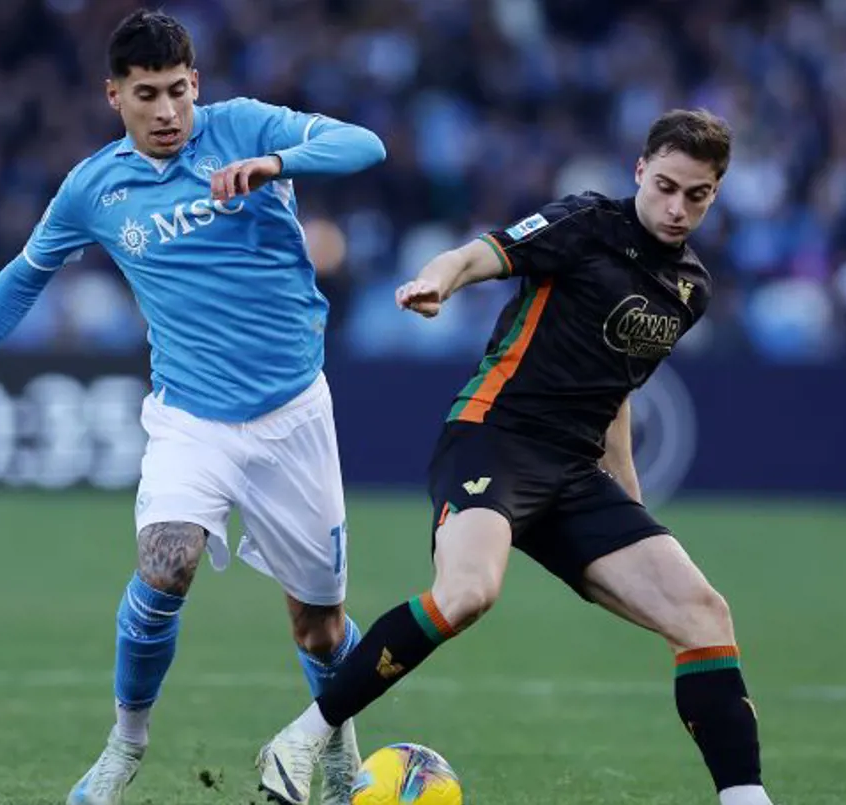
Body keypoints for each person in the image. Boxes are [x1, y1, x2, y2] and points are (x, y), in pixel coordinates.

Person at [0, 10, 385, 805]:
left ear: (196, 84)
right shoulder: (94, 187)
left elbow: (364, 145)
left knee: (319, 628)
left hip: (294, 416)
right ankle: (124, 744)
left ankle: (339, 743)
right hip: (190, 419)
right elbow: (23, 276)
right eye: (147, 95)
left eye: (178, 90)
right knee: (164, 564)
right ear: (114, 96)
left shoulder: (244, 126)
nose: (168, 110)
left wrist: (274, 162)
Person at [255, 109, 778, 805]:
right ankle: (302, 736)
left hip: (575, 474)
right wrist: (437, 282)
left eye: (697, 195)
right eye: (665, 186)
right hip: (494, 437)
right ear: (639, 171)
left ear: (715, 194)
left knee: (703, 613)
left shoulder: (690, 289)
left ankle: (745, 799)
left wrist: (629, 504)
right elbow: (478, 254)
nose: (677, 207)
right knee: (468, 591)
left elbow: (616, 391)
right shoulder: (585, 223)